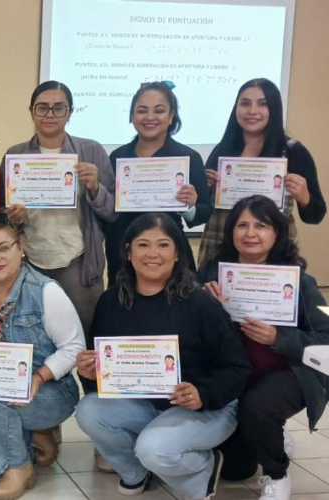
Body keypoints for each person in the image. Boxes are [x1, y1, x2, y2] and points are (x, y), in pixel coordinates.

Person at [75, 213, 250, 500]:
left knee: (153, 448)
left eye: (163, 245)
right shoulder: (112, 301)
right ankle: (136, 472)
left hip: (206, 407)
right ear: (128, 253)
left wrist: (202, 393)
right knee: (89, 410)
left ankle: (204, 468)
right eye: (143, 245)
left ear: (178, 253)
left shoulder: (199, 303)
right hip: (148, 403)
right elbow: (104, 375)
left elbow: (236, 367)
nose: (153, 254)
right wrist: (91, 373)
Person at [198, 195, 329, 500]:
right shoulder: (211, 273)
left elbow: (326, 340)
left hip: (286, 373)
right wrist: (204, 305)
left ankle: (277, 475)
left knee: (258, 407)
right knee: (235, 470)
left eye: (261, 225)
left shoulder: (300, 281)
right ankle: (271, 437)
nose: (250, 233)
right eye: (241, 225)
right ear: (230, 231)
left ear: (277, 232)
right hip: (231, 374)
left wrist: (278, 338)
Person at [0, 214, 83, 500]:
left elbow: (74, 347)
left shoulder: (46, 291)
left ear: (21, 246)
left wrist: (39, 376)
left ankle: (17, 468)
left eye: (3, 248)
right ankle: (33, 438)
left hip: (47, 392)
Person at [0, 80, 115, 341]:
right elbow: (0, 216)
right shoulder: (14, 156)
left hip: (79, 261)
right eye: (42, 108)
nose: (50, 114)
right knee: (34, 335)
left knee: (83, 337)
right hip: (30, 259)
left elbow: (112, 212)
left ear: (70, 112)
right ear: (31, 111)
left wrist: (95, 187)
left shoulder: (91, 151)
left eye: (58, 108)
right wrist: (12, 219)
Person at [198, 78, 325, 266]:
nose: (252, 111)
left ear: (274, 110)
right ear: (236, 108)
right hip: (220, 248)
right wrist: (206, 187)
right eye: (245, 103)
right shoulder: (223, 150)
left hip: (272, 257)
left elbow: (316, 215)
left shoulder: (293, 151)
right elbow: (204, 207)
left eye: (262, 104)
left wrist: (304, 197)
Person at [104, 81, 212, 285]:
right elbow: (108, 211)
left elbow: (203, 214)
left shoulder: (188, 157)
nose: (150, 117)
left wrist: (188, 206)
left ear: (171, 116)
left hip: (168, 253)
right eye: (142, 110)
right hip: (122, 252)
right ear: (132, 116)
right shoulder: (118, 157)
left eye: (159, 110)